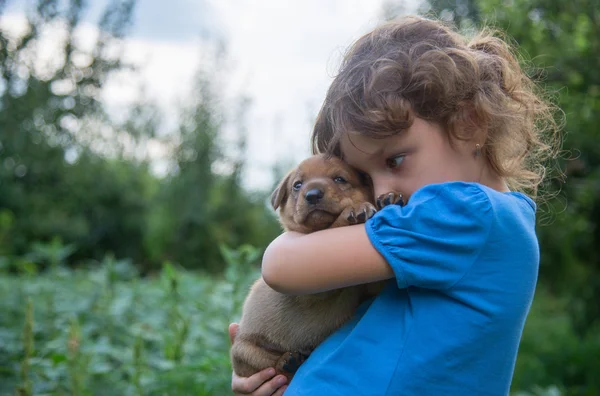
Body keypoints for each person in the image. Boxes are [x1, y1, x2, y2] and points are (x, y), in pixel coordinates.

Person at [230, 15, 561, 395]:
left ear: (470, 122)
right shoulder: (462, 227)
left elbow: (280, 264)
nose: (383, 191)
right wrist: (269, 371)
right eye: (365, 178)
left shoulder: (466, 213)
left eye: (395, 160)